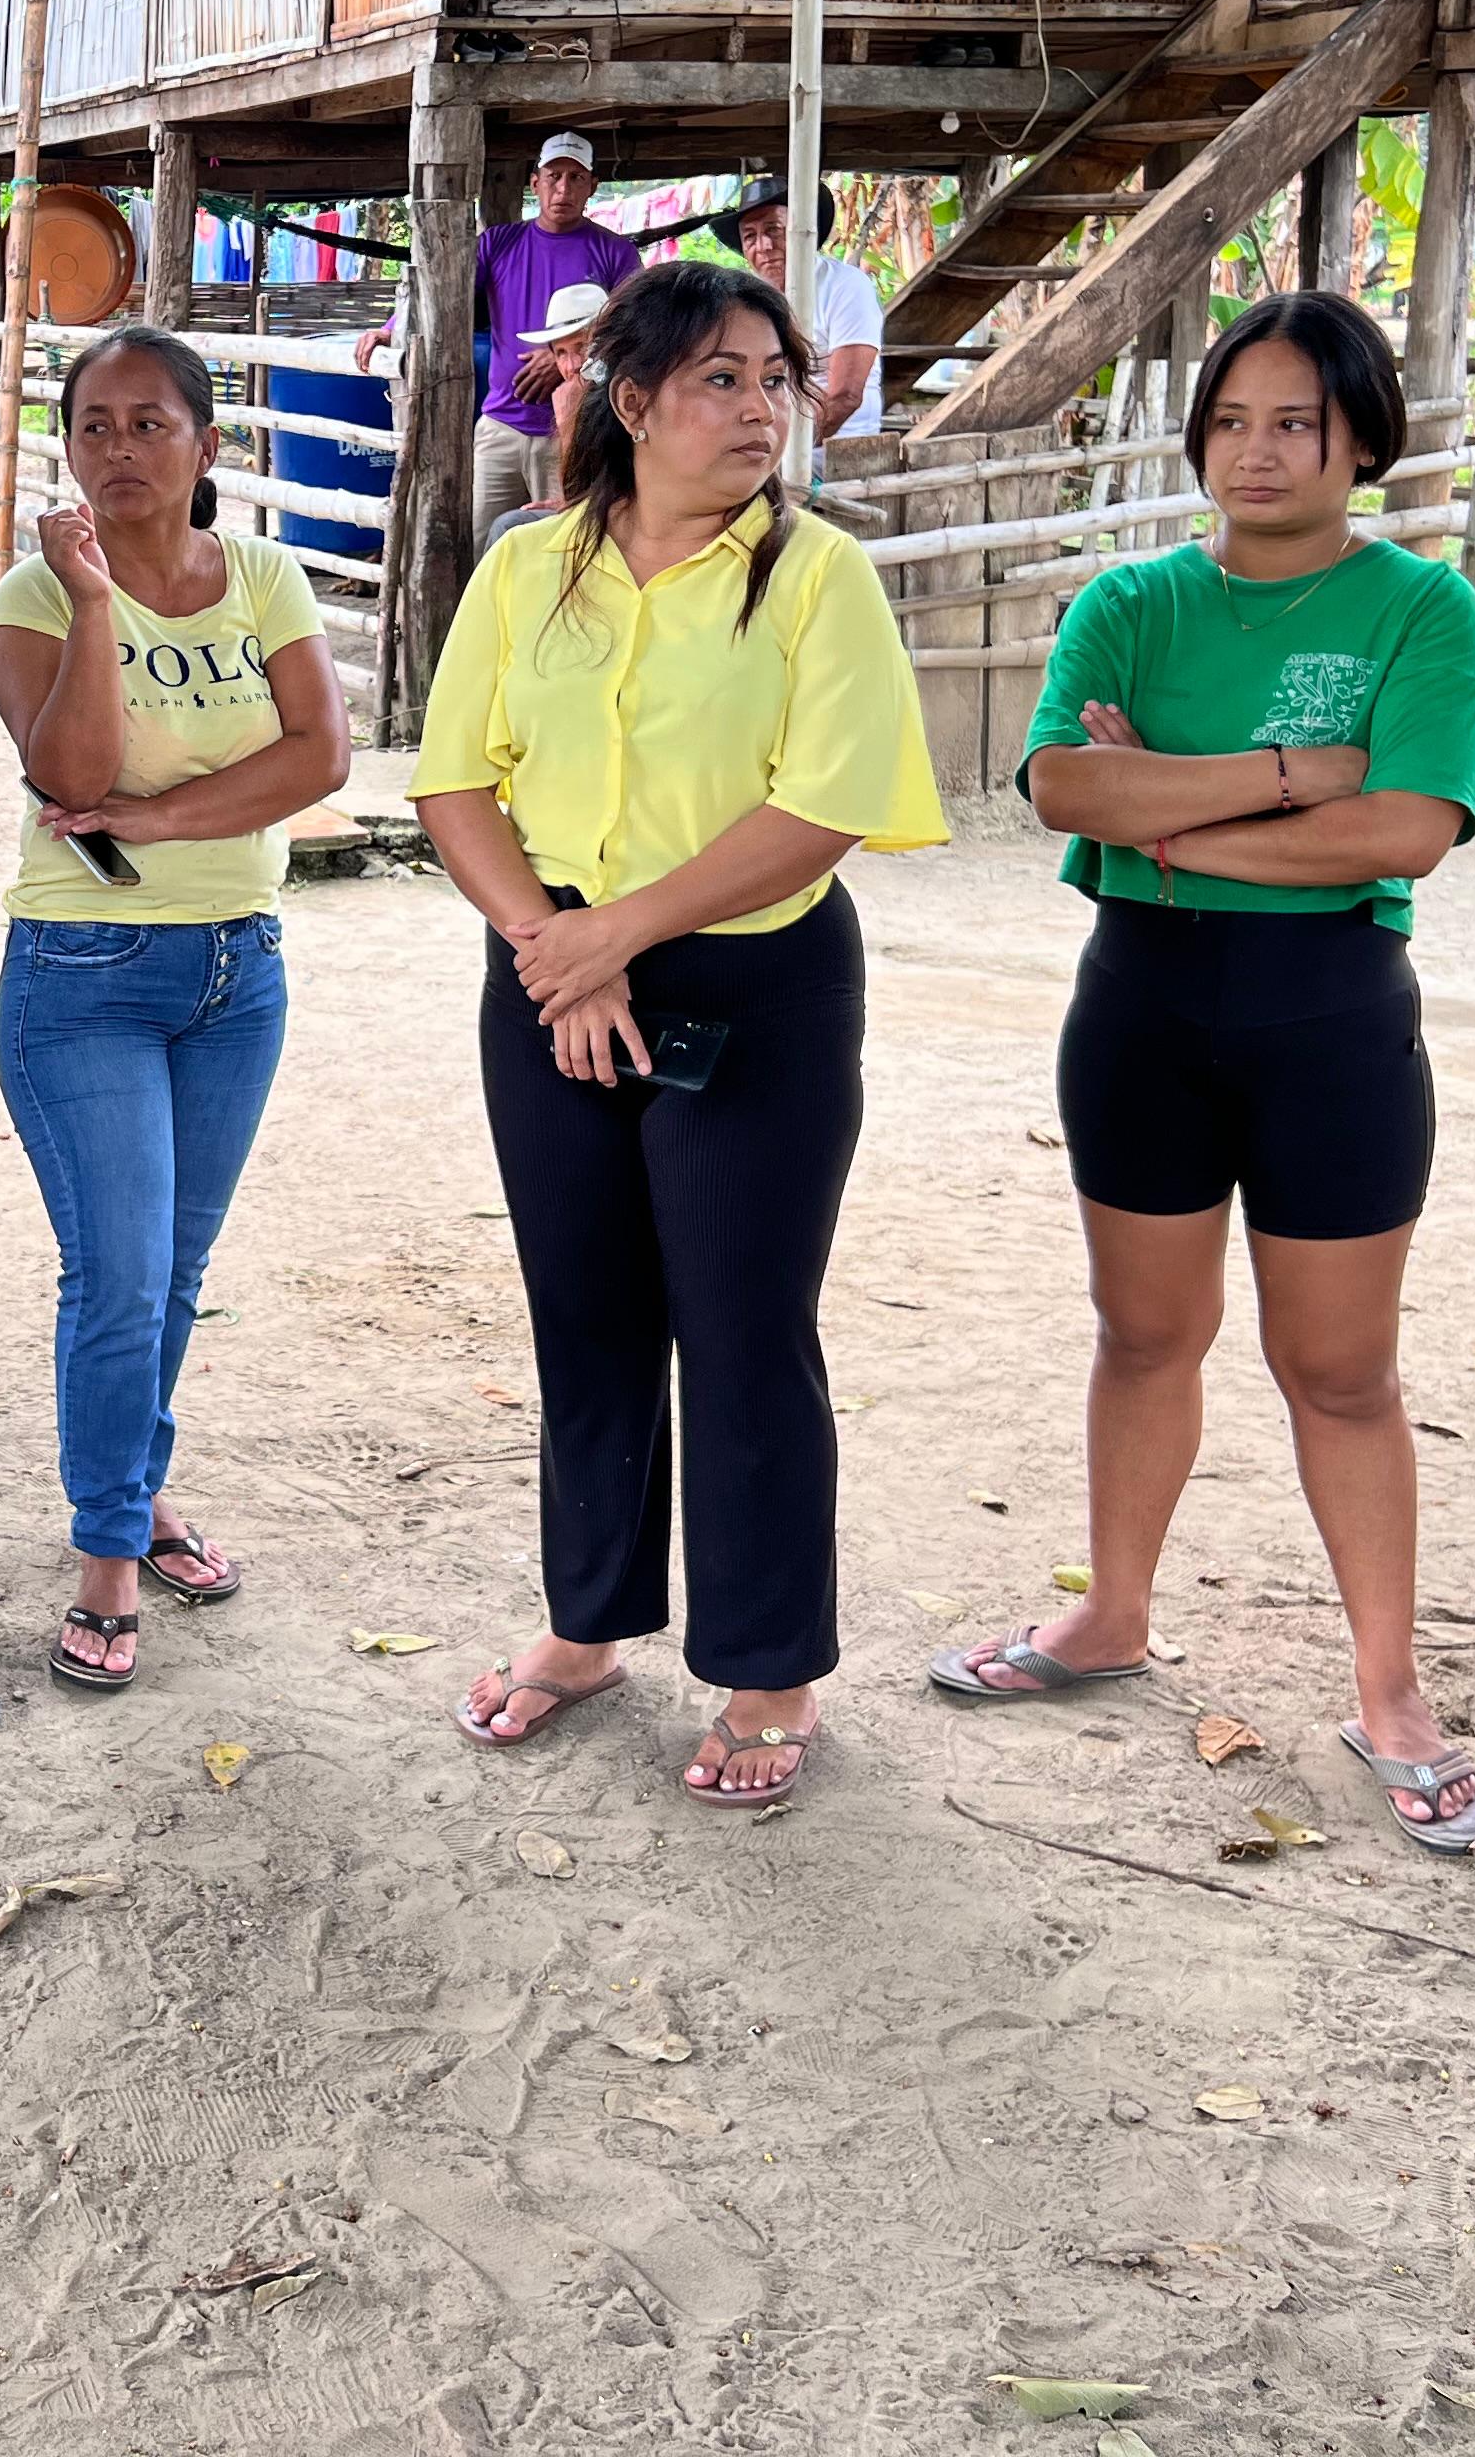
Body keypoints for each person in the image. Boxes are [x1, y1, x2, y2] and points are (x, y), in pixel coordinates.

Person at [925, 291, 1475, 1859]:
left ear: (1361, 442)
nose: (1257, 451)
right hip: (1142, 1011)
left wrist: (1170, 820)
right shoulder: (1130, 602)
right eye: (1232, 420)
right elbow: (1064, 786)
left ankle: (1391, 1692)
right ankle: (1111, 1613)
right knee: (1143, 1335)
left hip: (1332, 1022)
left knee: (1341, 1371)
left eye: (1295, 423)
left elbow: (1408, 830)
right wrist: (1289, 780)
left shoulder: (1422, 610)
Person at [408, 260, 946, 1808]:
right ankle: (586, 1628)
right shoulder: (529, 569)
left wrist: (614, 938)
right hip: (549, 975)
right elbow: (455, 782)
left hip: (752, 984)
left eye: (778, 378)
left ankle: (769, 1669)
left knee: (743, 1330)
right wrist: (557, 952)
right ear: (632, 401)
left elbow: (825, 805)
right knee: (583, 1316)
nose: (763, 406)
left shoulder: (817, 576)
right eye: (723, 377)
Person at [0, 326, 352, 1693]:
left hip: (239, 969)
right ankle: (107, 1555)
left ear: (207, 444)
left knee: (175, 1275)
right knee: (120, 1277)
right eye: (94, 426)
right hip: (85, 973)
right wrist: (91, 604)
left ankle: (135, 1491)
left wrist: (162, 816)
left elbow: (321, 756)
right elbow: (69, 776)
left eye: (150, 424)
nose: (120, 449)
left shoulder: (264, 576)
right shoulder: (32, 596)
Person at [351, 133, 640, 545]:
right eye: (554, 176)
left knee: (565, 545)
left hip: (573, 431)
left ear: (592, 186)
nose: (563, 188)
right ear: (535, 182)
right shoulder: (499, 243)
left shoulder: (615, 252)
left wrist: (564, 358)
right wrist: (392, 327)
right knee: (480, 543)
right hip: (500, 424)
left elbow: (633, 329)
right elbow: (443, 289)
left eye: (576, 177)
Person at [740, 176, 886, 450]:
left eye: (774, 230)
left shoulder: (846, 285)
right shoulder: (752, 298)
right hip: (773, 438)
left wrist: (786, 453)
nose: (764, 246)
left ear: (802, 232)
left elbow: (845, 396)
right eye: (750, 236)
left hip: (836, 446)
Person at [479, 280, 607, 555]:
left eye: (581, 347)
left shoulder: (625, 396)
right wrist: (565, 503)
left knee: (511, 527)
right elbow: (576, 494)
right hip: (596, 510)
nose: (572, 366)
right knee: (510, 529)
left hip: (627, 525)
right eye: (561, 353)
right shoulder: (581, 400)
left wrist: (567, 420)